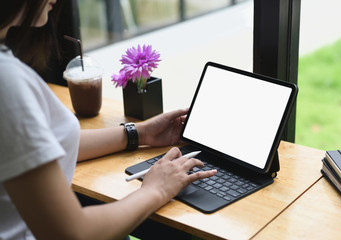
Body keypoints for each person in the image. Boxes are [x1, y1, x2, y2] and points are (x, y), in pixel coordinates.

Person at [0, 1, 217, 239]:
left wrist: (140, 133)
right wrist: (156, 190)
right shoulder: (7, 82)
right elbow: (74, 233)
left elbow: (41, 145)